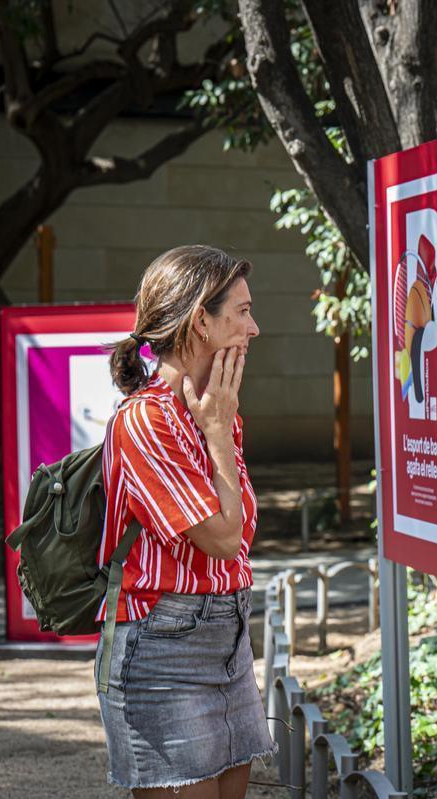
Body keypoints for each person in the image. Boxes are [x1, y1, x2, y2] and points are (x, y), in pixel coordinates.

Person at [98, 245, 275, 798]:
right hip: (162, 645)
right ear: (201, 319)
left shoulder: (214, 408)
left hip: (229, 634)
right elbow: (224, 538)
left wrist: (220, 427)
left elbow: (243, 530)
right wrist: (219, 435)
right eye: (242, 312)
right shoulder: (145, 420)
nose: (255, 327)